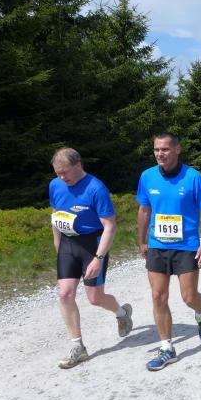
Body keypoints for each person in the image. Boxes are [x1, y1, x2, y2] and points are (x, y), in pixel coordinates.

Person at [137, 132, 201, 371]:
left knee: (189, 297)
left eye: (165, 149)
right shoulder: (147, 176)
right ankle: (167, 348)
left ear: (177, 149)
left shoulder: (193, 177)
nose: (160, 154)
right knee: (158, 296)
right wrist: (142, 240)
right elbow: (144, 209)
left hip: (186, 246)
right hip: (157, 245)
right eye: (156, 150)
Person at [49, 148, 133, 369]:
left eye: (65, 172)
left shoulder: (96, 188)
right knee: (65, 294)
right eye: (57, 173)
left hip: (92, 245)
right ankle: (78, 347)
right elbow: (55, 215)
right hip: (68, 243)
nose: (61, 177)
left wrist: (98, 258)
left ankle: (122, 312)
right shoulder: (55, 185)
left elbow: (110, 226)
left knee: (95, 298)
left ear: (78, 165)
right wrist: (57, 243)